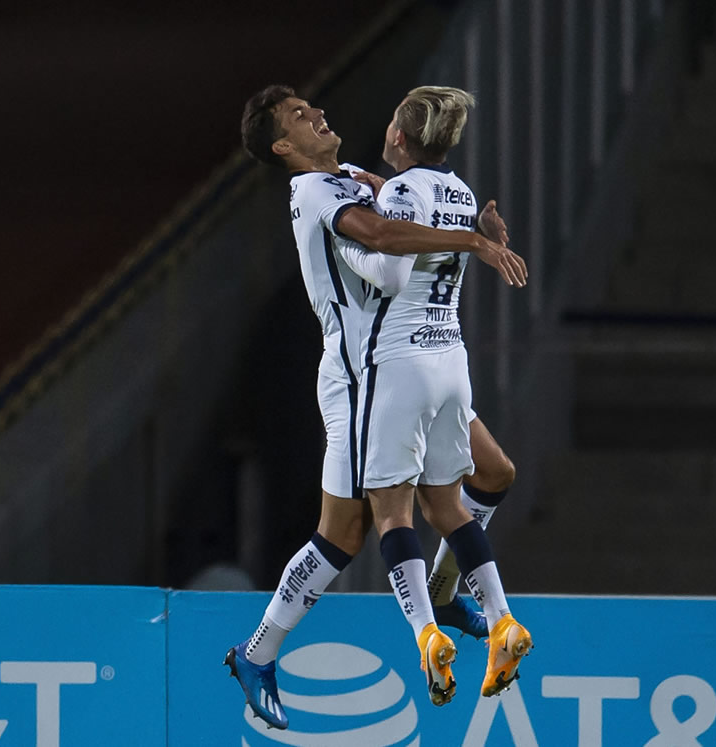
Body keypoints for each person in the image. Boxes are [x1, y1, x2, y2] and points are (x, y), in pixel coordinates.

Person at [223, 84, 527, 730]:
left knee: (490, 472)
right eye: (300, 117)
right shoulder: (313, 193)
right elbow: (386, 239)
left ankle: (442, 599)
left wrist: (472, 228)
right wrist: (471, 243)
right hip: (361, 375)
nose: (317, 112)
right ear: (284, 147)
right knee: (348, 531)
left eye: (311, 105)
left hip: (405, 360)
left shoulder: (353, 179)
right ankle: (258, 653)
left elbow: (401, 218)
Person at [354, 85, 533, 709]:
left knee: (391, 513)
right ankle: (503, 619)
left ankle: (426, 630)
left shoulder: (401, 193)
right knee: (448, 506)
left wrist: (351, 246)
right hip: (450, 359)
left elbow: (391, 265)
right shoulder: (456, 191)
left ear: (400, 137)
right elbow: (412, 209)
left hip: (401, 363)